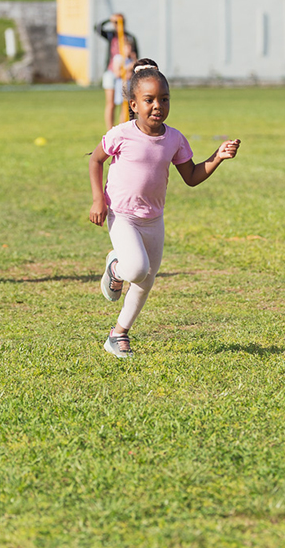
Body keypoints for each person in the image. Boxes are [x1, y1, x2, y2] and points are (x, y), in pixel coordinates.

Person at [88, 58, 240, 358]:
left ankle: (118, 334)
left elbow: (192, 177)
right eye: (149, 100)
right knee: (137, 268)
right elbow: (95, 161)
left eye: (164, 99)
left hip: (153, 219)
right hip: (122, 214)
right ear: (133, 104)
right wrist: (97, 199)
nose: (158, 106)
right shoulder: (121, 133)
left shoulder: (174, 139)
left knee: (146, 281)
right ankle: (116, 267)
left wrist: (218, 156)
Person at [95, 13, 139, 132]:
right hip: (111, 72)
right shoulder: (111, 35)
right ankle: (110, 131)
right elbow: (97, 28)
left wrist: (133, 72)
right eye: (116, 23)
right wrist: (109, 20)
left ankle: (123, 128)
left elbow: (136, 57)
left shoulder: (130, 38)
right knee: (111, 103)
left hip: (127, 74)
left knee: (126, 103)